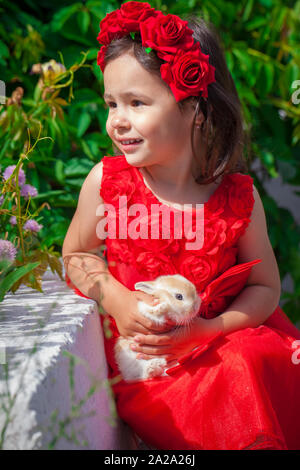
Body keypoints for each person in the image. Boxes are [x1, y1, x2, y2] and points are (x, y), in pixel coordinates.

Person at [62, 1, 300, 450]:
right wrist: (116, 298)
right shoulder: (108, 183)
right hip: (152, 370)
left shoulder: (237, 198)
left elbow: (266, 288)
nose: (117, 120)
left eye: (137, 102)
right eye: (112, 102)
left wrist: (211, 329)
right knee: (235, 377)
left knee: (250, 362)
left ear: (194, 107)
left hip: (219, 348)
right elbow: (75, 254)